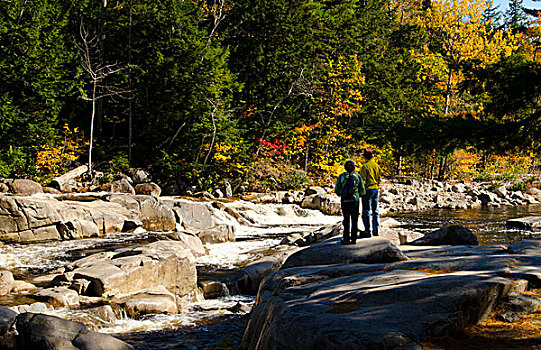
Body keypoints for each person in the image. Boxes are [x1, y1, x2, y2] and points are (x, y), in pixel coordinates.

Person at [334, 160, 366, 244]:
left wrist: (341, 193)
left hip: (345, 200)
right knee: (354, 220)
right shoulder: (357, 176)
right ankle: (354, 238)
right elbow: (362, 191)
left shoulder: (341, 176)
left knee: (346, 219)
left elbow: (337, 189)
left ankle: (346, 238)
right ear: (354, 167)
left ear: (345, 167)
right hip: (355, 200)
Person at [359, 149, 382, 237]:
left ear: (365, 157)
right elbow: (379, 178)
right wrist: (377, 186)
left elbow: (362, 181)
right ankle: (376, 230)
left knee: (366, 211)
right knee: (375, 210)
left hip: (368, 190)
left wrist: (361, 191)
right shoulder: (376, 166)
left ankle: (367, 231)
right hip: (375, 189)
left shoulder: (365, 166)